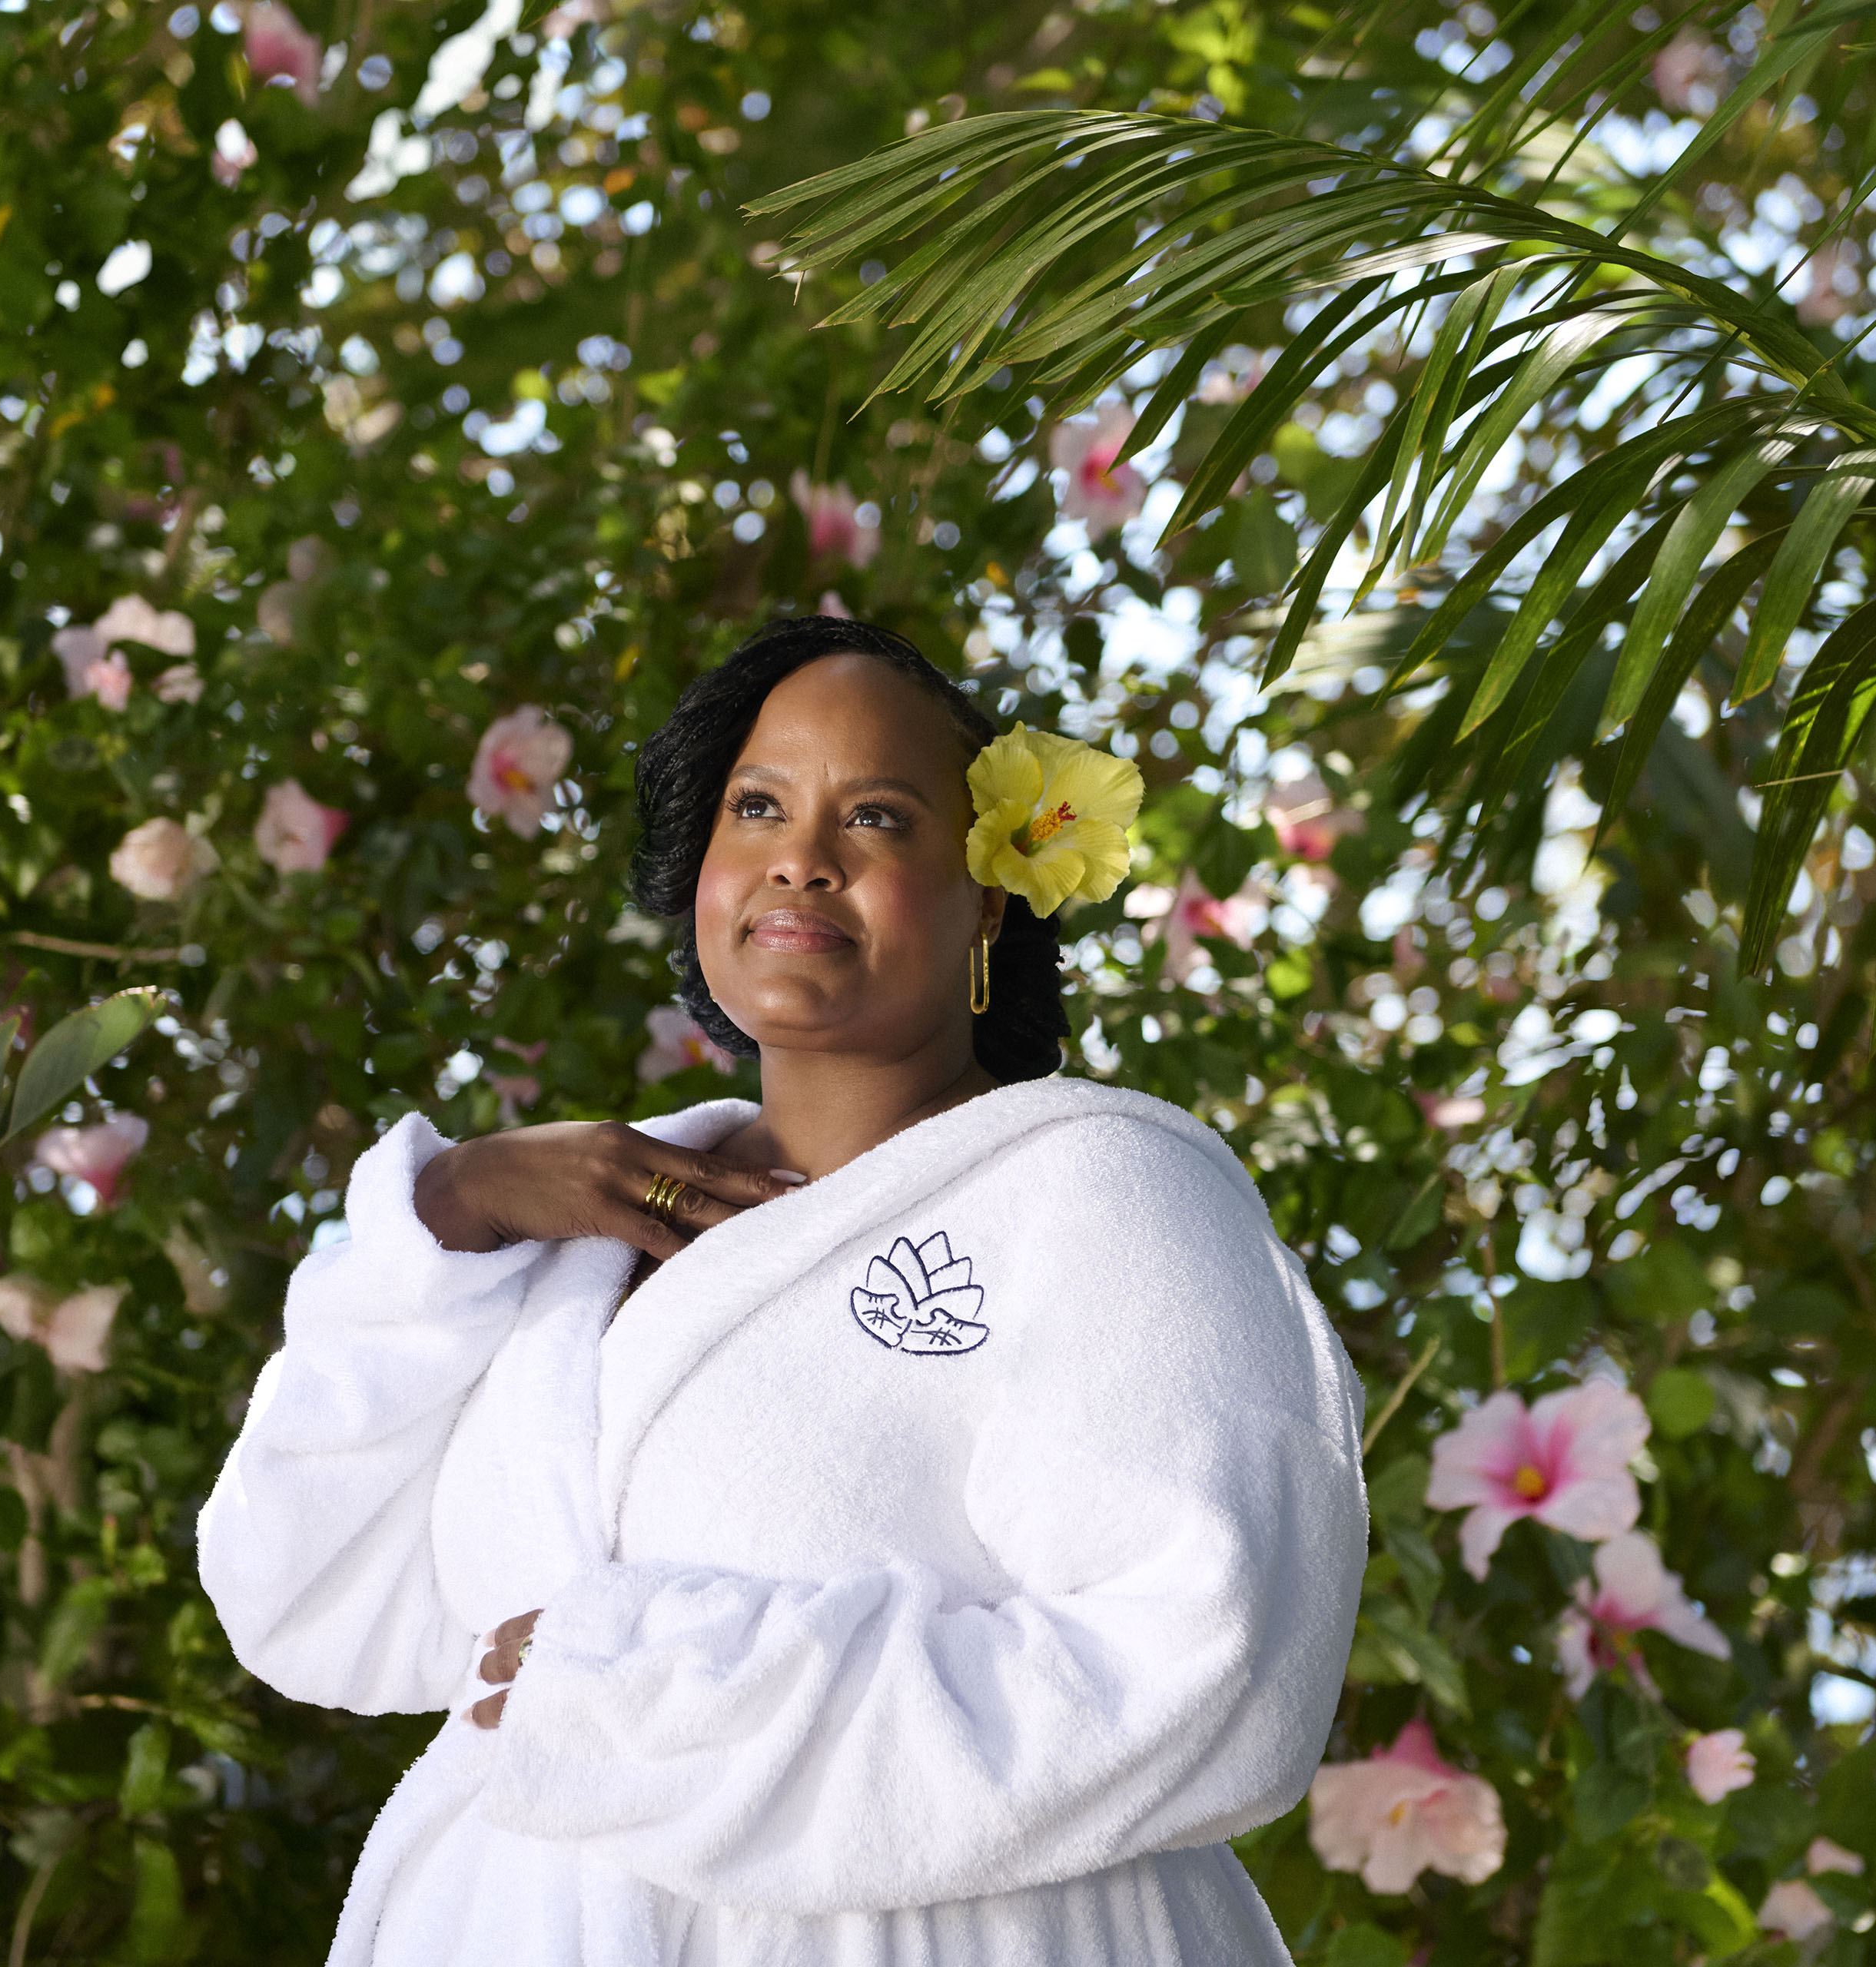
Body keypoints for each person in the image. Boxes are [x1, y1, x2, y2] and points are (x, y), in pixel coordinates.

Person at [198, 615, 1369, 1966]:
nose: (801, 856)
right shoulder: (576, 1236)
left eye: (876, 816)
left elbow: (1212, 1670)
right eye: (759, 805)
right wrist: (447, 1212)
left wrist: (638, 1689)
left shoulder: (1105, 1193)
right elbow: (306, 1599)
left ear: (989, 893)